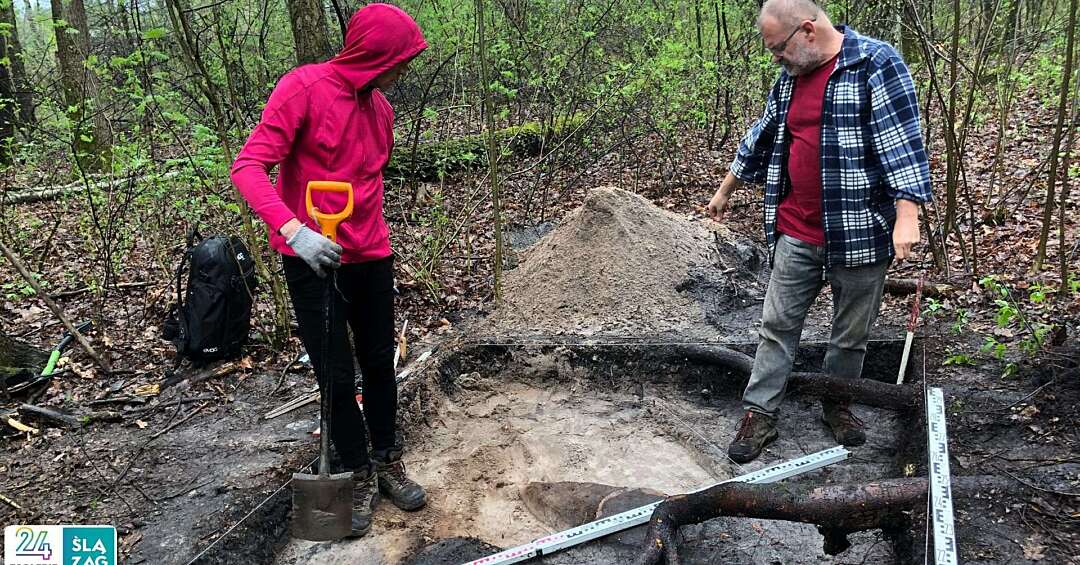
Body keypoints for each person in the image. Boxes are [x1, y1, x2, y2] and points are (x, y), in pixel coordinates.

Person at [231, 4, 427, 537]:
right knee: (336, 372)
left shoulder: (381, 109)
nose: (403, 70)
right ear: (373, 55)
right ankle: (358, 471)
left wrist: (366, 238)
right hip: (312, 258)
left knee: (379, 363)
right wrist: (295, 230)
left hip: (370, 256)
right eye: (399, 60)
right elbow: (249, 167)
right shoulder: (302, 89)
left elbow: (369, 179)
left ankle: (387, 459)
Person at [706, 0, 931, 463]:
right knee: (777, 325)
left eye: (777, 49)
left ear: (807, 30)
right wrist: (727, 189)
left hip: (862, 230)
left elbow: (902, 142)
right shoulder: (790, 78)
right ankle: (760, 413)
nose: (775, 59)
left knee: (851, 334)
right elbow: (763, 134)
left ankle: (838, 403)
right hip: (796, 228)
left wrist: (907, 214)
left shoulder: (876, 64)